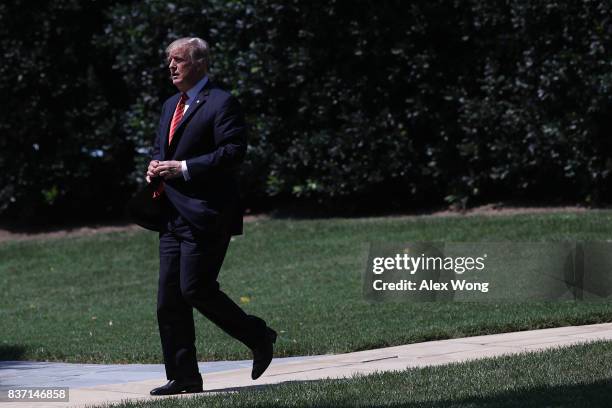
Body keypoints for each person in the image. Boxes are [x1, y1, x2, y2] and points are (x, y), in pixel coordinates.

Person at [145, 37, 276, 396]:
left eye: (179, 60)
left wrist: (184, 167)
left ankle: (258, 335)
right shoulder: (170, 104)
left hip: (207, 214)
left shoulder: (222, 102)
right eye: (169, 60)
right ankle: (183, 375)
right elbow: (162, 148)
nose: (172, 66)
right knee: (168, 300)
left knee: (195, 288)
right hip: (171, 215)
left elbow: (233, 152)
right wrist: (155, 166)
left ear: (200, 64)